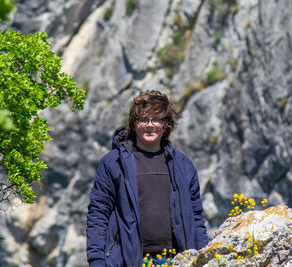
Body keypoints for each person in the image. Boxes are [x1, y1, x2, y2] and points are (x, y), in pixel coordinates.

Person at [86, 90, 208, 267]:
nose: (150, 125)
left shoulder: (183, 165)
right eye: (143, 119)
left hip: (177, 260)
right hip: (129, 261)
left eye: (156, 119)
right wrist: (96, 260)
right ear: (134, 124)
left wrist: (203, 256)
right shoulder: (113, 162)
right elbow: (98, 214)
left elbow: (196, 217)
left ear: (166, 124)